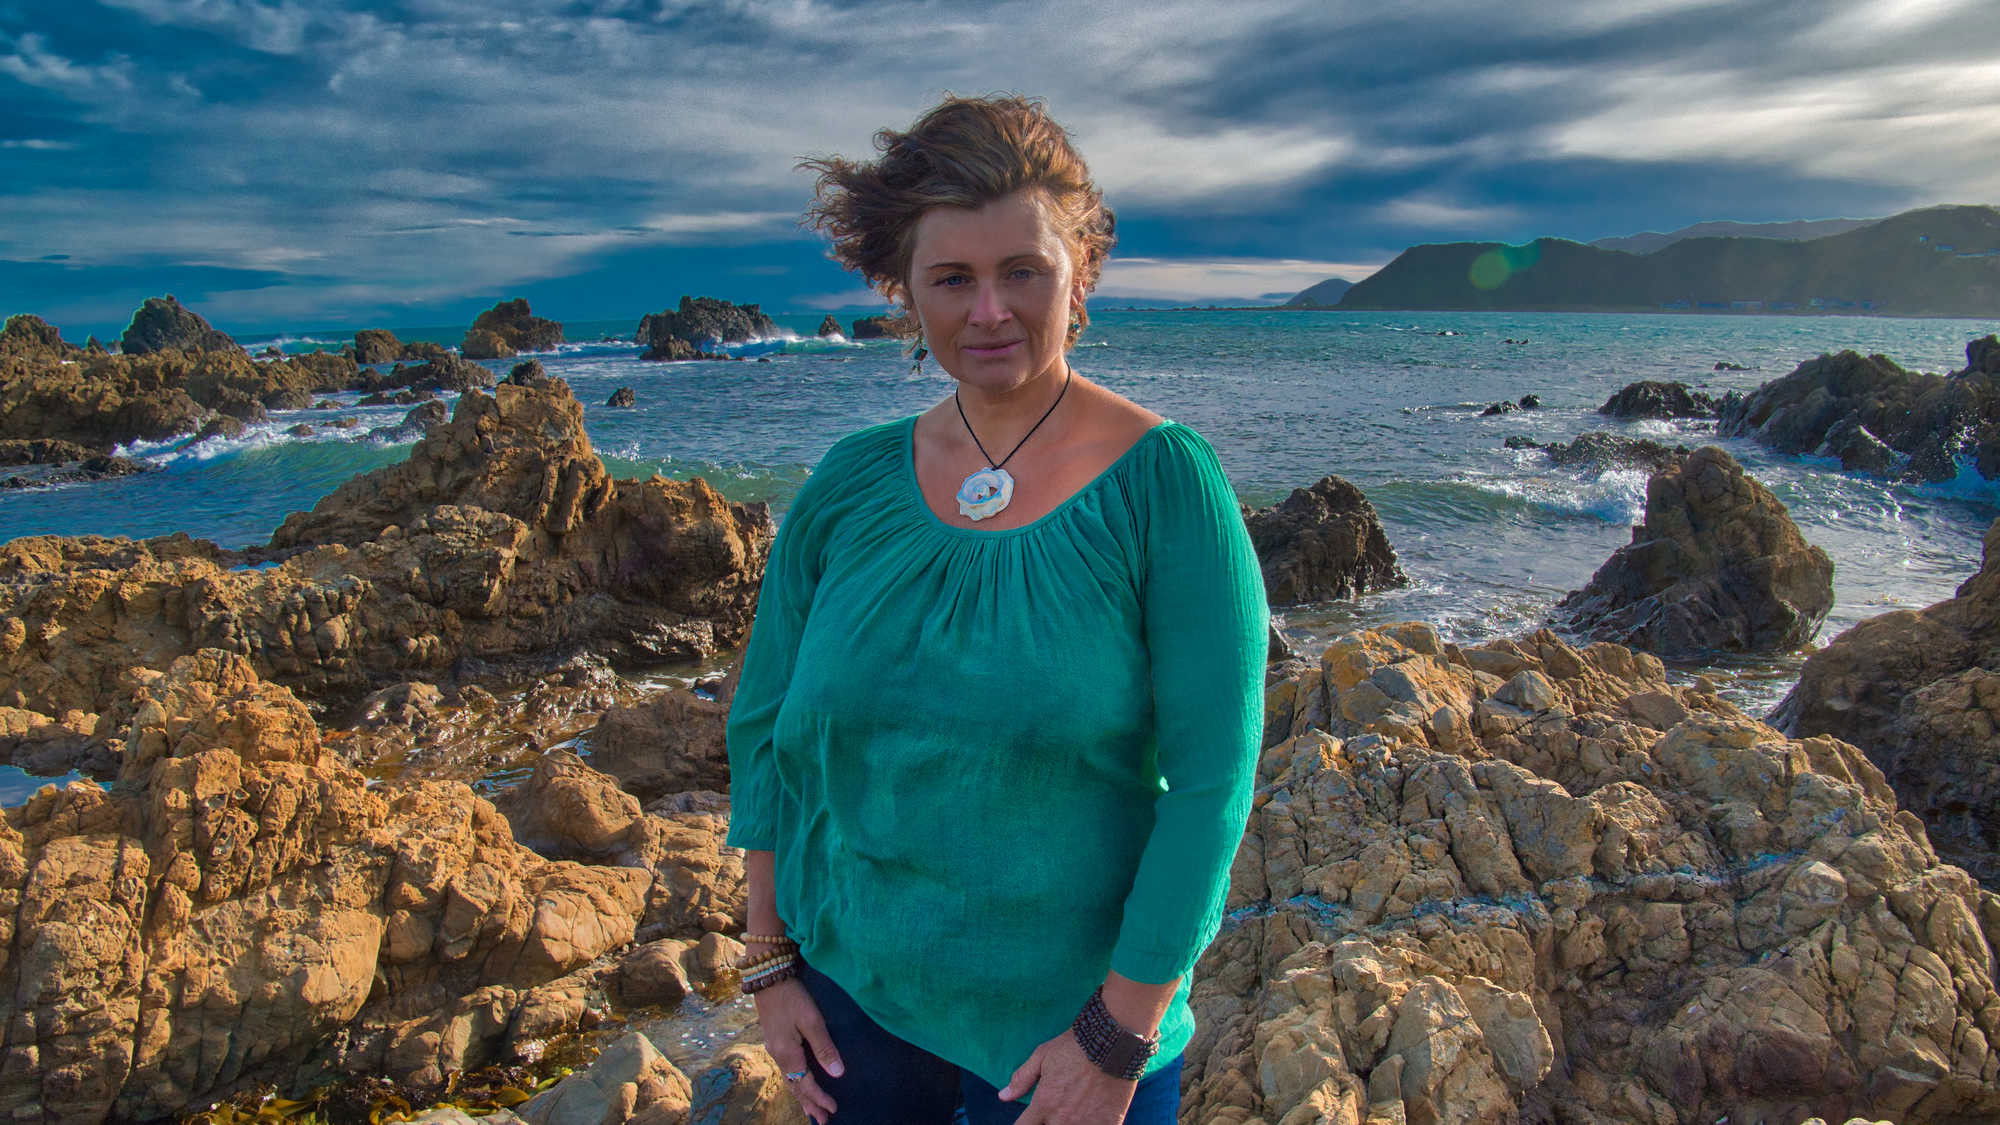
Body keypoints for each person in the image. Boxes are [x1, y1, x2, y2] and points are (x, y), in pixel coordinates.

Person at [724, 94, 1267, 1125]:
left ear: (1080, 272)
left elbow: (1211, 786)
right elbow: (765, 728)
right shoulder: (847, 484)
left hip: (1074, 1035)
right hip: (851, 1007)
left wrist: (1116, 1035)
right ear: (905, 292)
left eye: (1023, 271)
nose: (988, 311)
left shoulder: (1165, 486)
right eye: (952, 279)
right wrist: (769, 964)